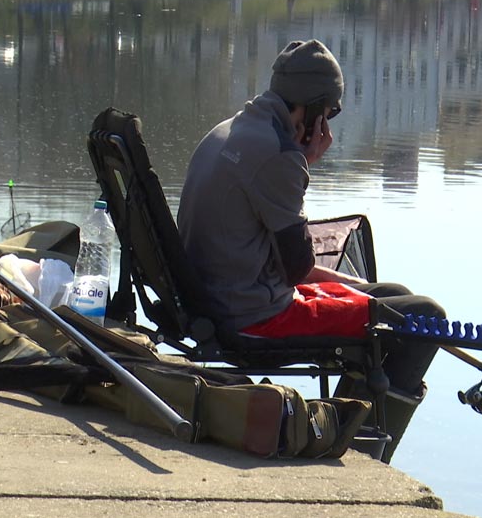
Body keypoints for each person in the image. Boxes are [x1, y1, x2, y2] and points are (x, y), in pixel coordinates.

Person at [177, 39, 443, 463]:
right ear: (315, 108)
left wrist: (363, 289)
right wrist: (307, 164)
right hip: (252, 316)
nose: (330, 125)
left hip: (219, 295)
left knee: (390, 293)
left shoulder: (230, 130)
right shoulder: (280, 155)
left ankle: (346, 422)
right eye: (331, 112)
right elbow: (301, 268)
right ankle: (360, 448)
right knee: (424, 317)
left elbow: (288, 261)